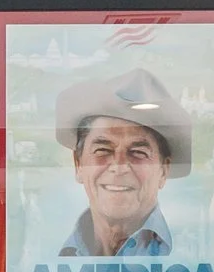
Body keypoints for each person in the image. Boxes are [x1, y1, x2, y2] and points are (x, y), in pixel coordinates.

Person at [53, 67, 194, 258]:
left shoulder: (193, 250)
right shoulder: (43, 253)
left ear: (163, 170)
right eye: (103, 150)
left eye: (138, 152)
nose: (119, 166)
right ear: (78, 164)